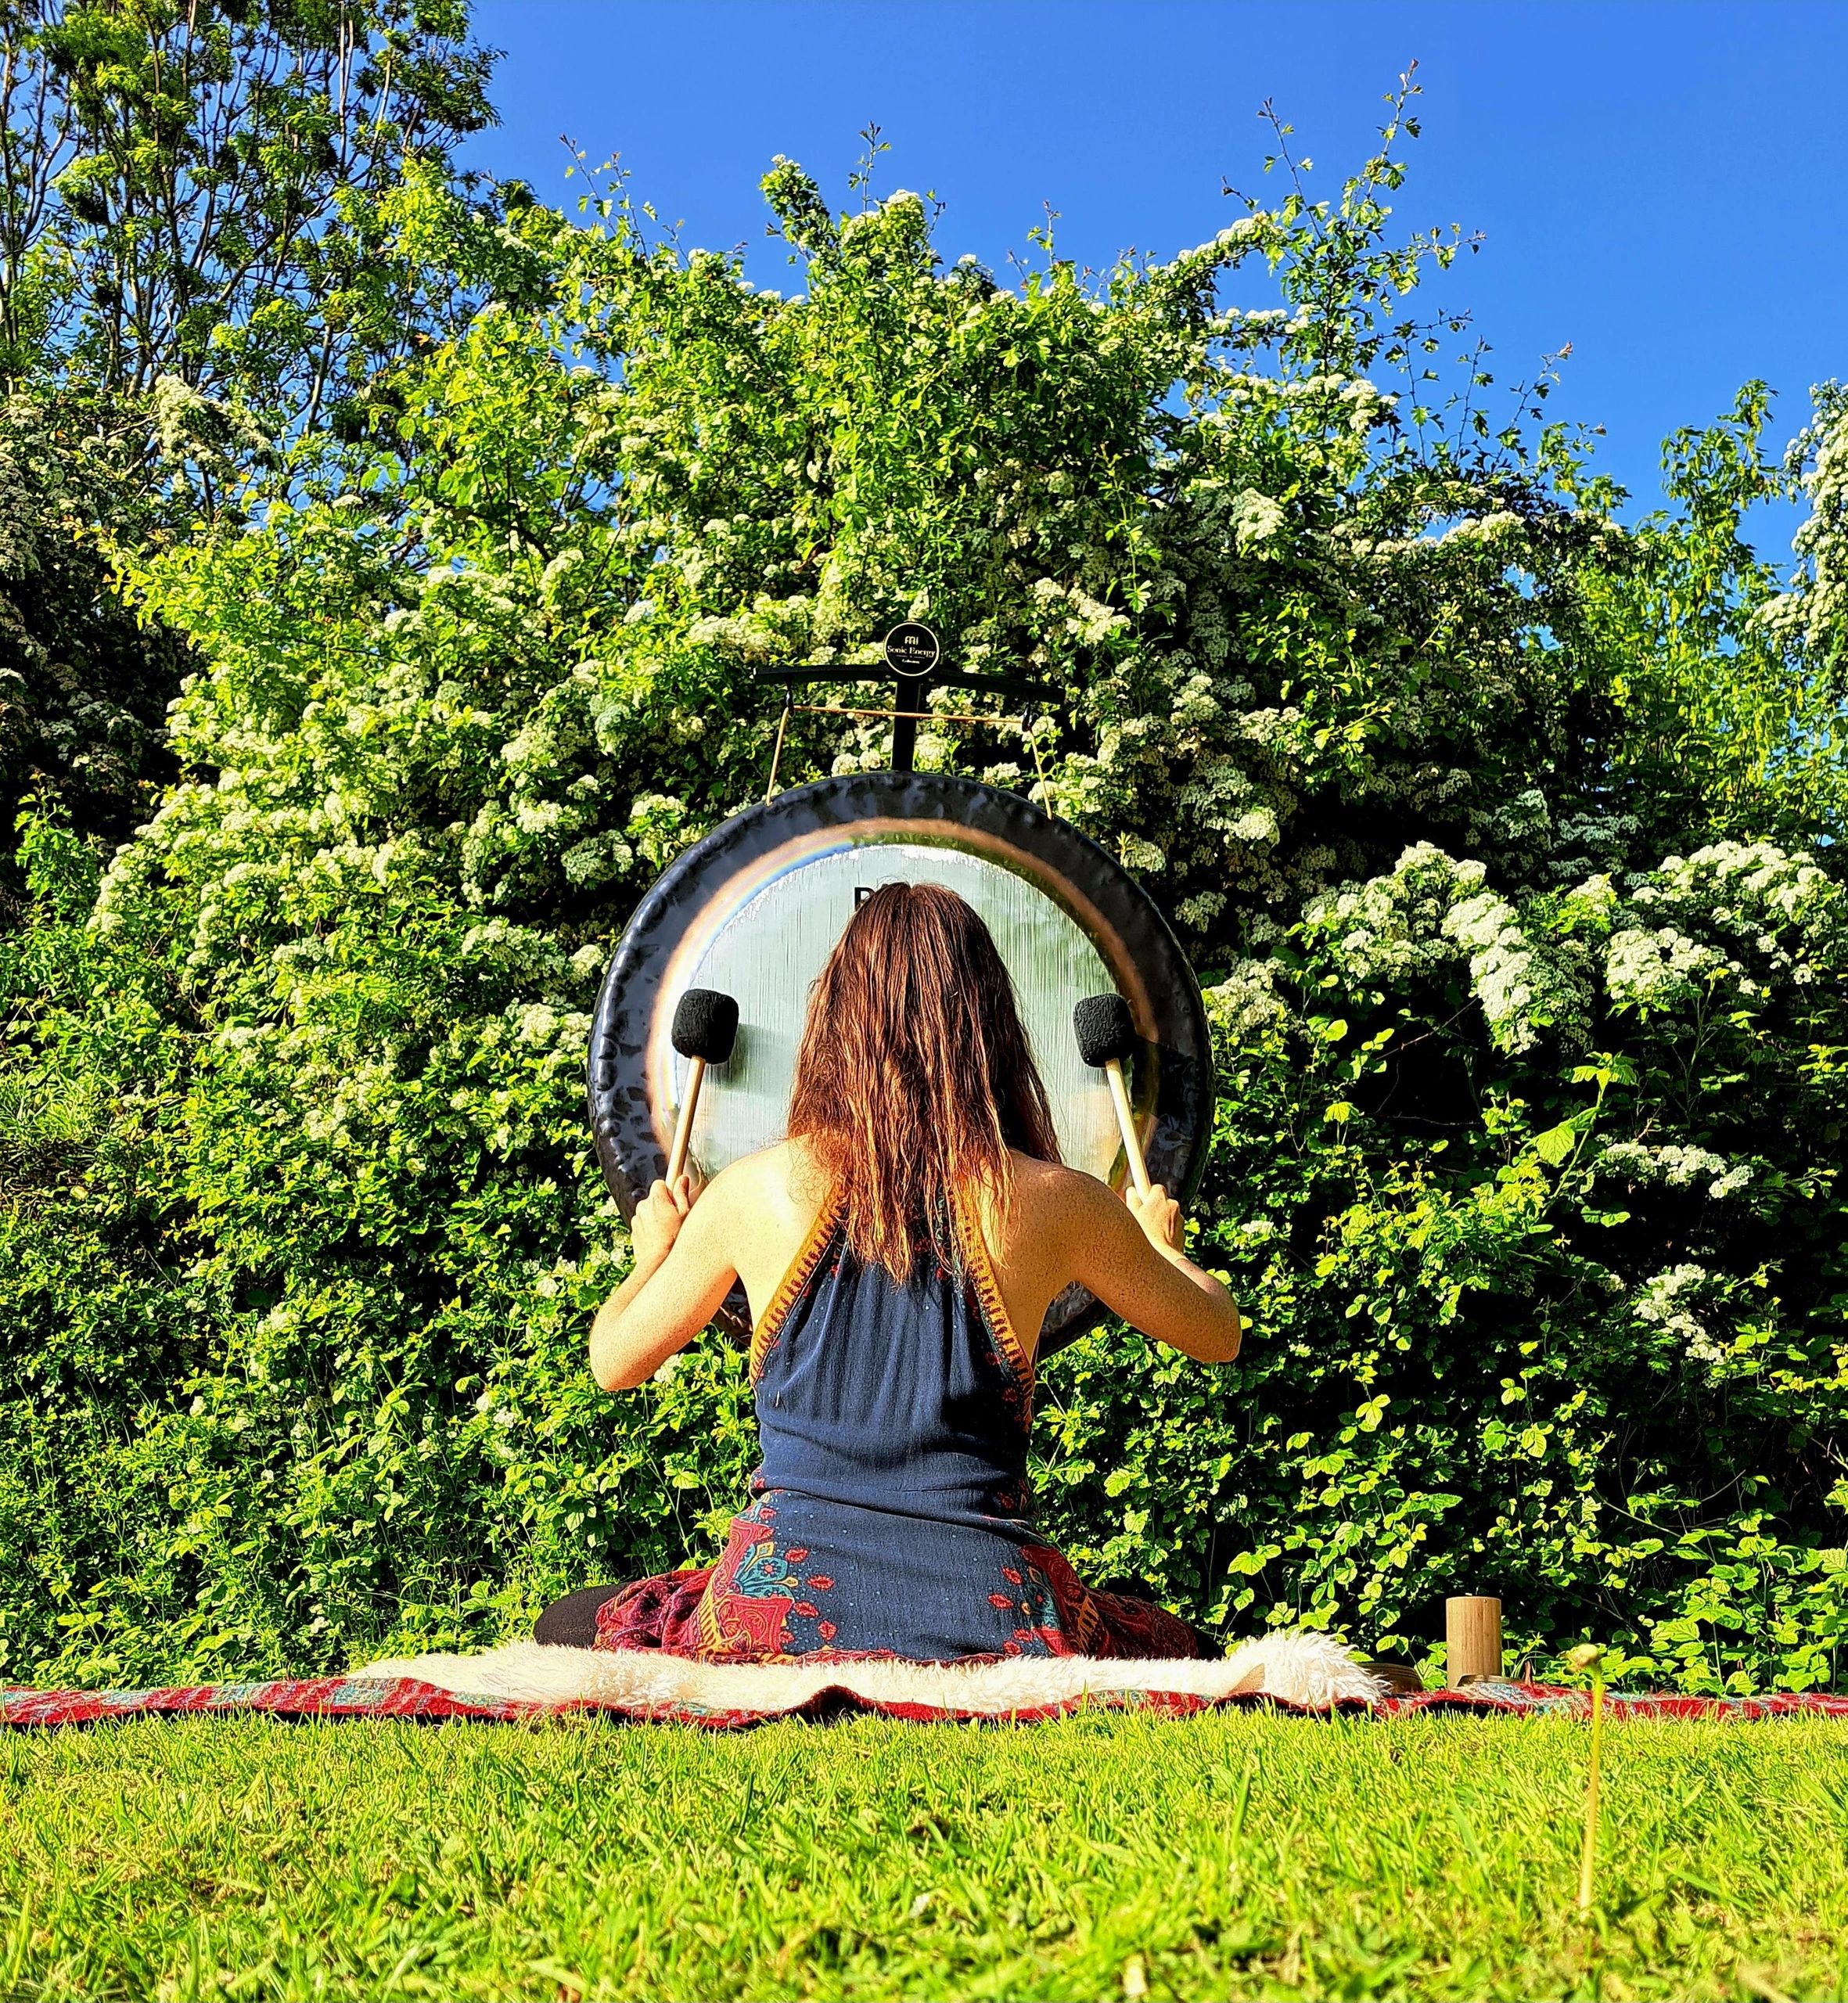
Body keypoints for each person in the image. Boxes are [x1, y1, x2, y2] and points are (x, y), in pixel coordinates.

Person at [535, 882, 1242, 1662]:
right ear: (990, 1023)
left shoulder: (754, 1191)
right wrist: (1164, 1244)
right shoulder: (1055, 1200)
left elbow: (613, 1360)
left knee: (574, 1618)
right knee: (1189, 1644)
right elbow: (1216, 1333)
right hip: (993, 1614)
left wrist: (650, 1259)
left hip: (776, 1614)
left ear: (836, 1016)